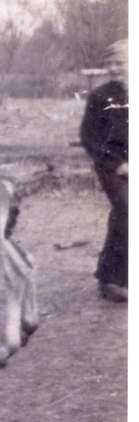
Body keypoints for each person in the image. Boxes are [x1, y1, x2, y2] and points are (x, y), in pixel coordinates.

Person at [80, 39, 128, 303]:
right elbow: (89, 137)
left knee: (123, 214)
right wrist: (118, 162)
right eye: (109, 63)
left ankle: (107, 278)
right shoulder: (100, 96)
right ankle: (117, 281)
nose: (113, 68)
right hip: (112, 165)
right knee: (128, 209)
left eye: (119, 62)